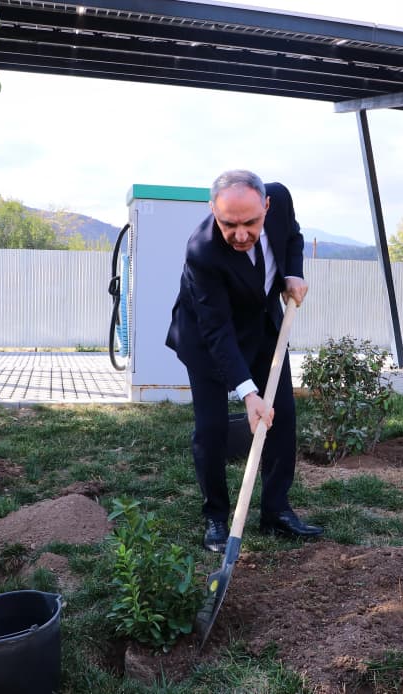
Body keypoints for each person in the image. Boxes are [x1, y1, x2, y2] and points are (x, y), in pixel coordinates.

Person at [166, 169, 322, 553]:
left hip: (263, 328)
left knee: (281, 416)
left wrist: (292, 273)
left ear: (266, 206)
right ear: (212, 211)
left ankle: (276, 510)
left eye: (250, 223)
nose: (239, 234)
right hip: (207, 338)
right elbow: (216, 331)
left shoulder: (281, 200)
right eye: (228, 224)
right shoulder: (202, 251)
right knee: (212, 427)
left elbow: (294, 236)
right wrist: (248, 393)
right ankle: (217, 519)